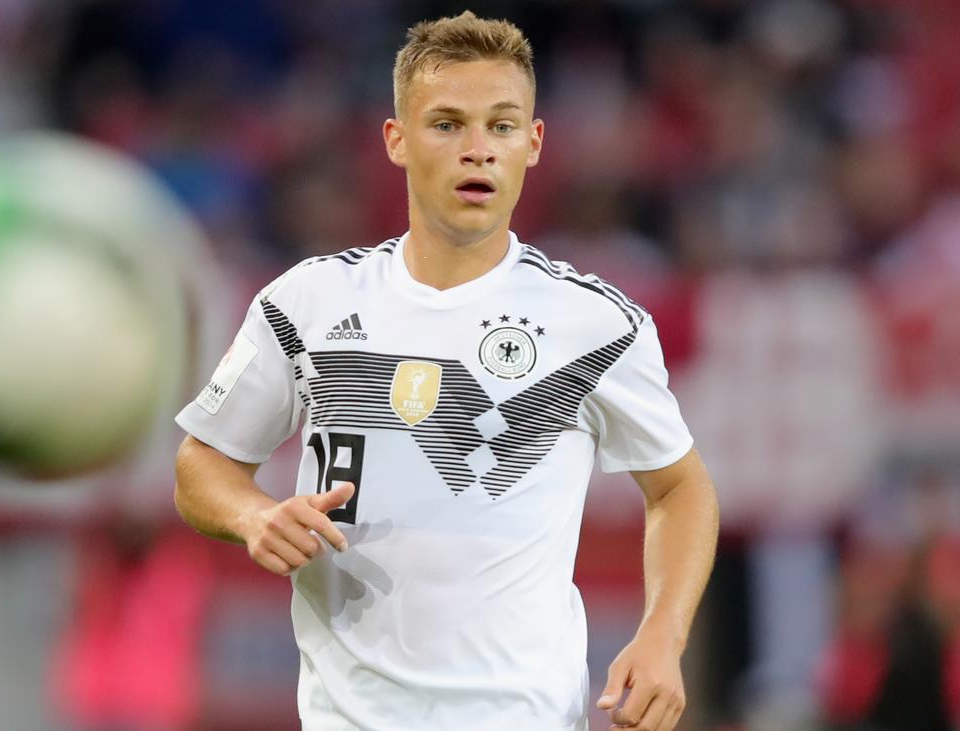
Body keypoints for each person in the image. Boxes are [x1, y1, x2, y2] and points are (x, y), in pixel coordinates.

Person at [173, 12, 719, 731]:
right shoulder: (306, 302)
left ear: (533, 143)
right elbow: (202, 462)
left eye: (501, 126)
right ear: (396, 140)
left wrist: (662, 635)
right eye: (447, 124)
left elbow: (680, 487)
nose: (477, 149)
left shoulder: (596, 324)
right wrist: (253, 515)